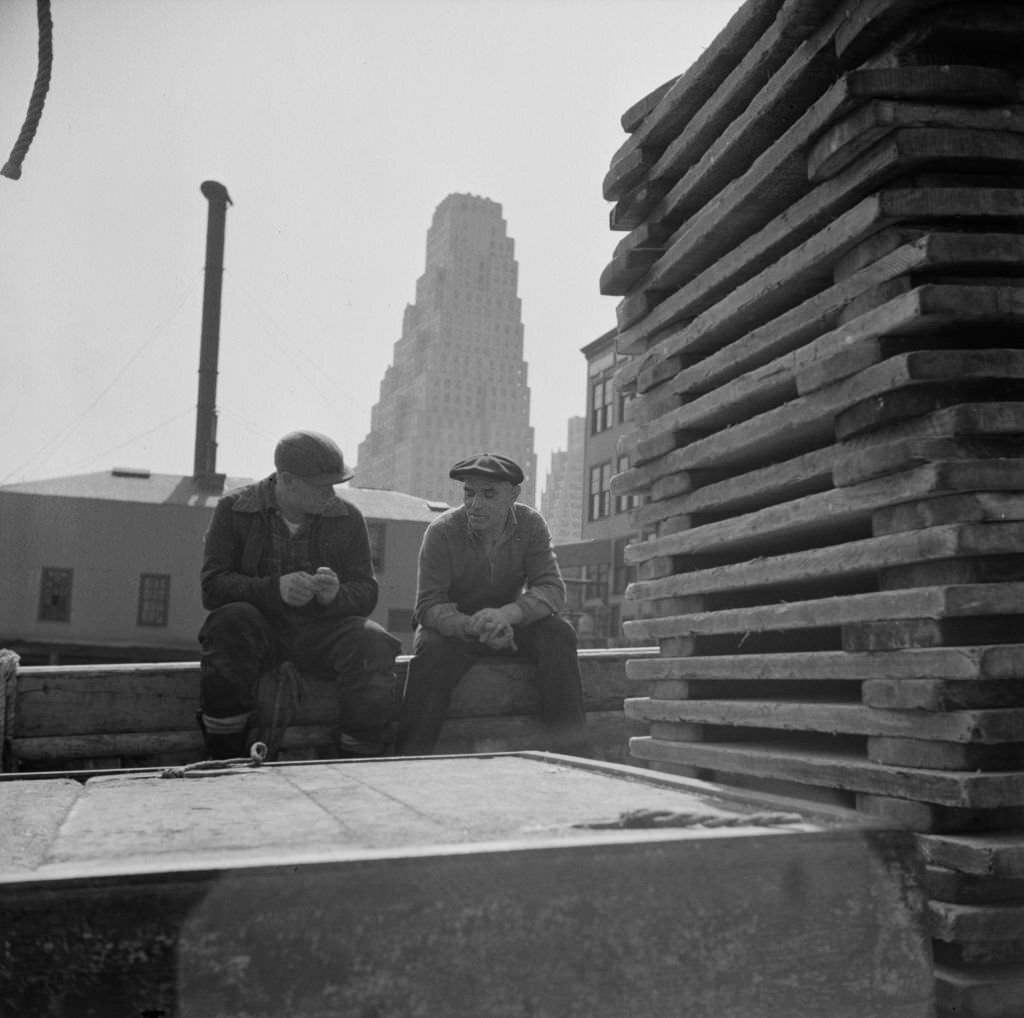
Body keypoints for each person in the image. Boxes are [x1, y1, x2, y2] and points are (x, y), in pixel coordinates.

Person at [198, 429, 401, 759]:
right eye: (322, 485)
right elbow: (213, 588)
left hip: (321, 637)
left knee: (373, 641)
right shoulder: (233, 510)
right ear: (287, 479)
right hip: (257, 636)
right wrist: (274, 589)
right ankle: (223, 755)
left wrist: (335, 595)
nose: (332, 493)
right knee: (230, 621)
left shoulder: (348, 518)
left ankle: (358, 756)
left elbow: (366, 593)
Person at [396, 452, 588, 756]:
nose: (475, 504)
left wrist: (507, 615)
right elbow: (428, 605)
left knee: (559, 634)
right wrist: (471, 625)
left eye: (489, 494)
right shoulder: (442, 532)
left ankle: (574, 753)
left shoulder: (531, 525)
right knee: (430, 648)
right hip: (453, 629)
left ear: (514, 495)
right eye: (469, 493)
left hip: (509, 625)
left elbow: (551, 588)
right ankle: (409, 755)